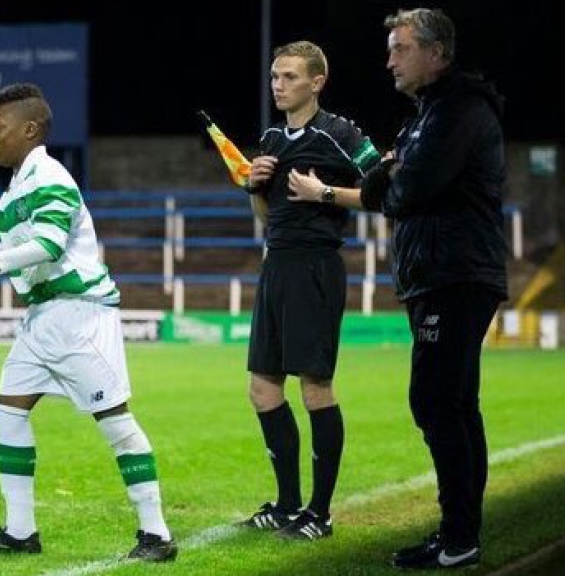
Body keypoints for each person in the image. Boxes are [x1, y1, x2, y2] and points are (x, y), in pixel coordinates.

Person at [288, 8, 507, 569]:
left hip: (455, 274)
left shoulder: (457, 110)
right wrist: (388, 173)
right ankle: (461, 533)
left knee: (436, 401)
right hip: (439, 275)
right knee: (454, 404)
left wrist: (388, 173)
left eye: (401, 48)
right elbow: (388, 180)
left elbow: (402, 189)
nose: (389, 60)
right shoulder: (428, 115)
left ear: (436, 53)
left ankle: (458, 536)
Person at [0, 83, 177, 562]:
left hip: (78, 315)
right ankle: (19, 531)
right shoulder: (15, 190)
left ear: (29, 129)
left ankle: (156, 536)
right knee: (7, 411)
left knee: (114, 419)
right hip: (43, 317)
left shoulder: (51, 176)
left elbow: (47, 247)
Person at [236, 41, 381, 541]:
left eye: (290, 77)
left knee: (315, 385)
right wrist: (255, 186)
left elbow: (386, 192)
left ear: (316, 82)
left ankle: (319, 514)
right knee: (262, 387)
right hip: (276, 264)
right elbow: (265, 217)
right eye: (275, 76)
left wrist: (324, 193)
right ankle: (287, 504)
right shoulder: (272, 137)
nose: (279, 85)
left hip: (316, 268)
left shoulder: (341, 134)